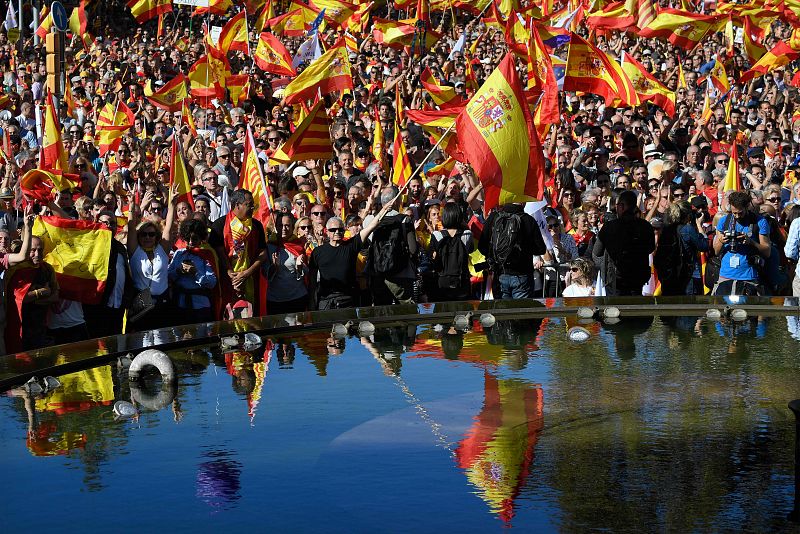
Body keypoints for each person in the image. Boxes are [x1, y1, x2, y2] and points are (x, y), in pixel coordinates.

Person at [310, 194, 396, 310]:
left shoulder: (351, 245)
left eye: (340, 229)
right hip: (326, 301)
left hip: (348, 299)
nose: (337, 232)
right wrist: (312, 303)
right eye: (333, 230)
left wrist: (383, 210)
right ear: (327, 231)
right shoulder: (317, 252)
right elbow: (312, 281)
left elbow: (371, 226)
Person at [209, 190, 268, 317]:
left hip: (250, 279)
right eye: (249, 204)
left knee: (251, 318)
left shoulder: (256, 226)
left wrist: (247, 273)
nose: (253, 207)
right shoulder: (220, 225)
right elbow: (217, 254)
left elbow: (263, 253)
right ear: (237, 205)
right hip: (226, 281)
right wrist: (231, 274)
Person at [593, 190, 656, 296]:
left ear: (621, 206)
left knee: (614, 310)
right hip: (637, 276)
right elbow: (650, 248)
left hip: (614, 278)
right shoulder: (645, 226)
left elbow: (597, 252)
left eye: (617, 205)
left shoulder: (610, 227)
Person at [478, 203, 546, 299]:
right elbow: (540, 249)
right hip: (522, 275)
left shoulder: (494, 217)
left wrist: (496, 256)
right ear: (523, 203)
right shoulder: (528, 220)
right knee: (520, 312)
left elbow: (482, 246)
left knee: (502, 312)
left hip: (500, 274)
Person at [365, 186, 419, 305]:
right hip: (402, 274)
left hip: (377, 275)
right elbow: (413, 249)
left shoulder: (369, 221)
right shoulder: (405, 220)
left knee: (382, 311)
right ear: (397, 201)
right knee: (406, 311)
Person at [712, 191, 772, 296]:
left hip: (749, 276)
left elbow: (767, 251)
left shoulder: (760, 222)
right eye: (734, 213)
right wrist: (722, 241)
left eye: (740, 213)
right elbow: (716, 251)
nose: (737, 216)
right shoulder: (723, 221)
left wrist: (751, 242)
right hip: (726, 275)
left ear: (747, 207)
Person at [168, 219, 219, 324]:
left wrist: (196, 273)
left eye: (194, 239)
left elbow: (212, 283)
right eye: (187, 238)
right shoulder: (178, 254)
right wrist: (178, 271)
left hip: (200, 306)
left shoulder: (206, 255)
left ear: (201, 238)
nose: (191, 242)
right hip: (180, 305)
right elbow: (168, 275)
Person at [266, 213, 309, 314]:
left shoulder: (298, 245)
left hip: (297, 298)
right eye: (281, 225)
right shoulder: (269, 247)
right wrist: (274, 267)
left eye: (287, 225)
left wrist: (299, 267)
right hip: (275, 300)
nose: (284, 228)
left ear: (292, 227)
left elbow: (307, 272)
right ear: (276, 227)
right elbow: (265, 274)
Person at [430, 203, 473, 301]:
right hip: (461, 280)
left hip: (442, 281)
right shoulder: (467, 234)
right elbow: (471, 249)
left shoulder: (436, 235)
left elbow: (431, 255)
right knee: (462, 313)